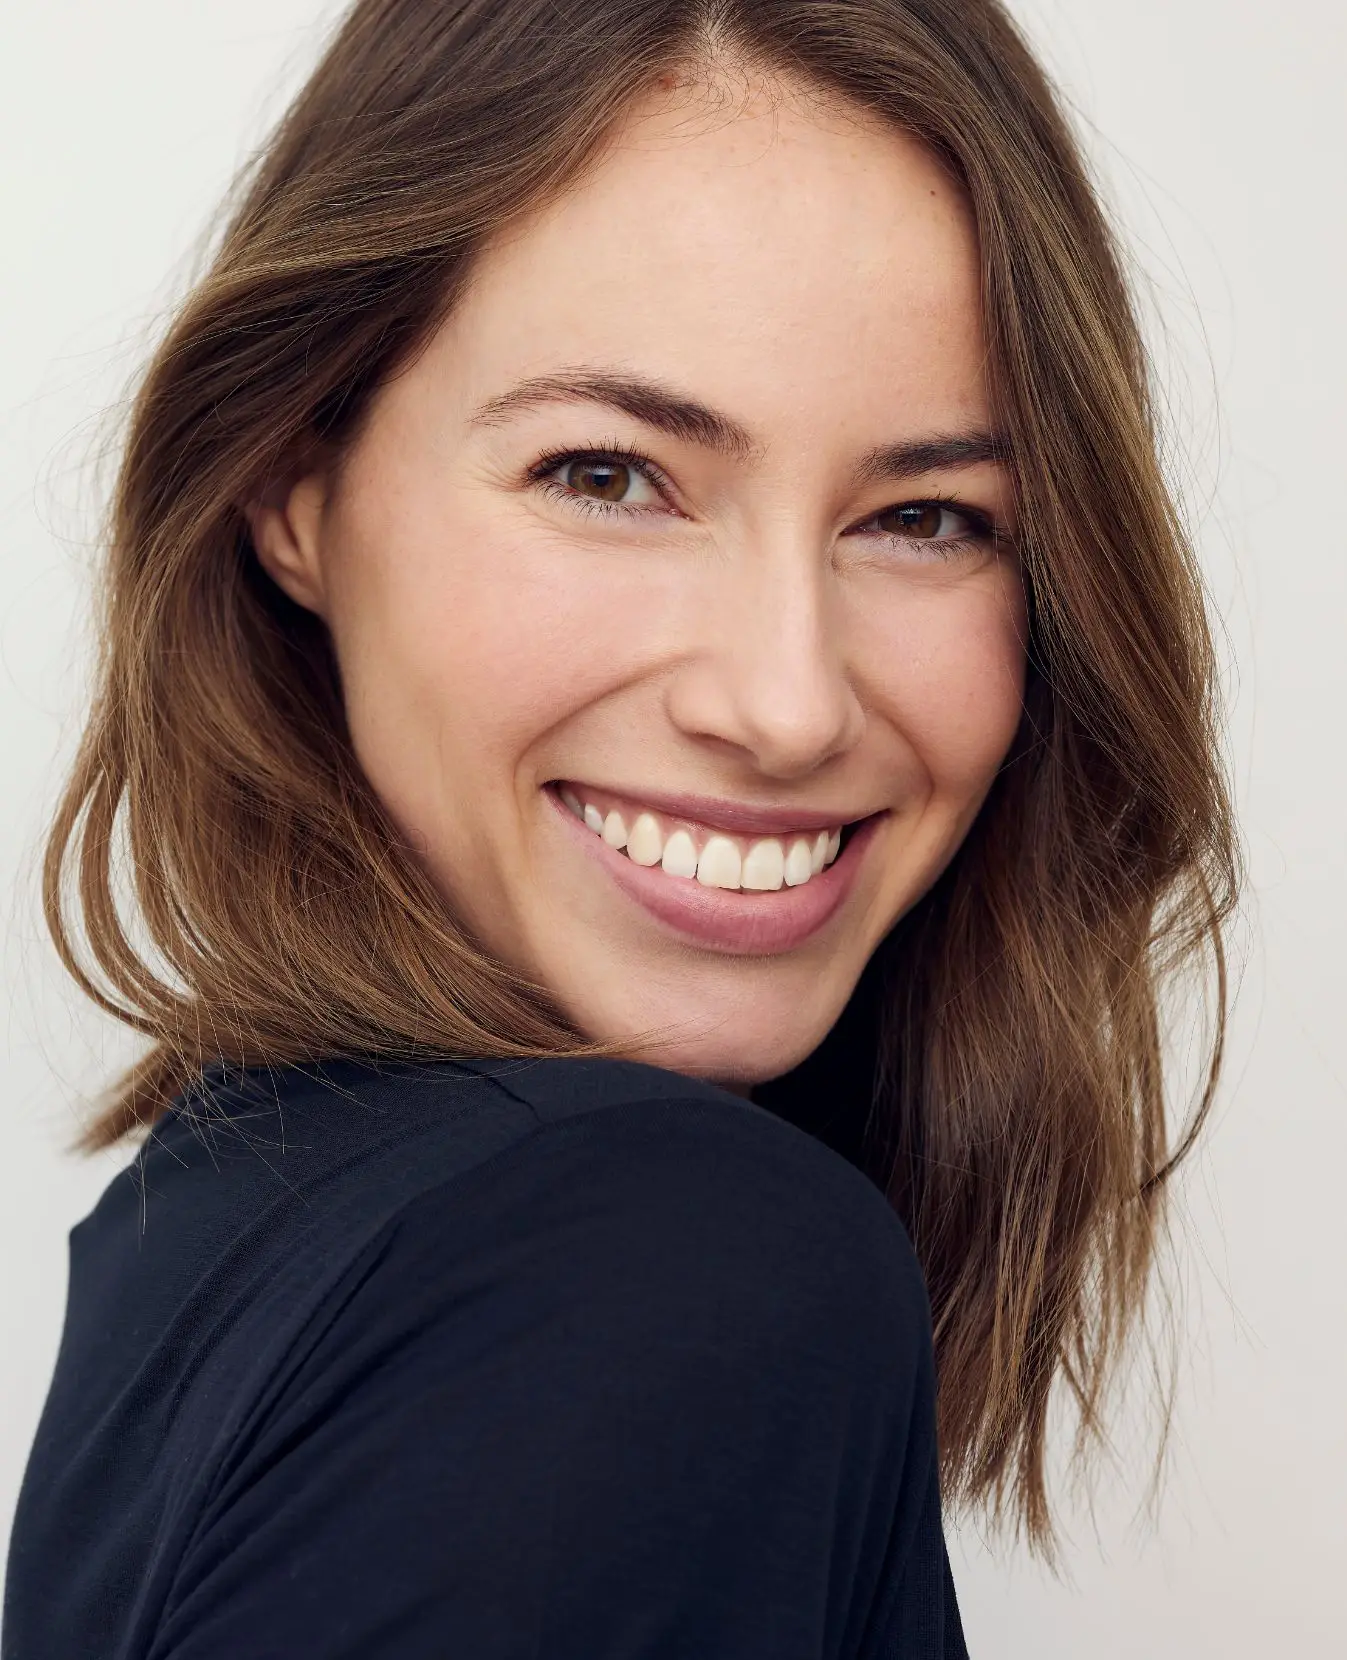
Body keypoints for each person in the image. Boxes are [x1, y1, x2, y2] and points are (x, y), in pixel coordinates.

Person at [2, 1, 1238, 1655]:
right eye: (606, 476)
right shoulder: (654, 1258)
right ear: (293, 489)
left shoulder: (222, 1214)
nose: (787, 702)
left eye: (925, 518)